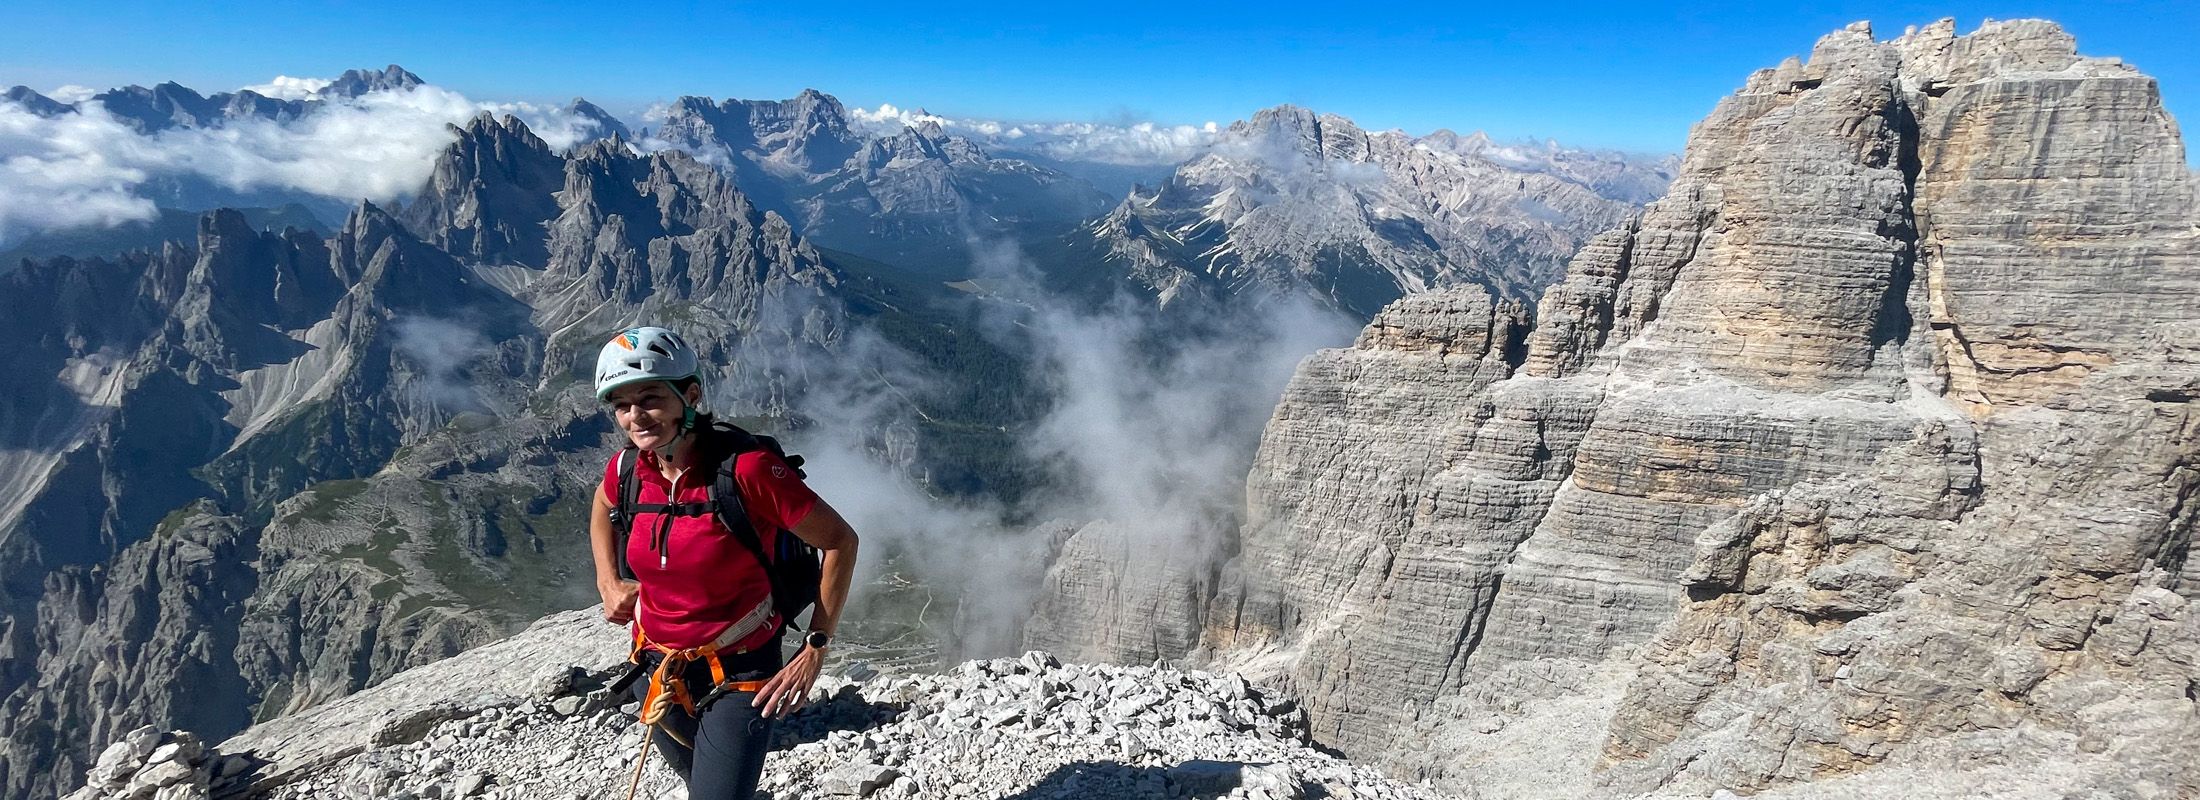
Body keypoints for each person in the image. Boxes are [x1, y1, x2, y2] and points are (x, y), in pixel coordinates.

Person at [587, 326, 859, 800]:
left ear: (690, 396)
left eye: (650, 398)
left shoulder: (746, 471)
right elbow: (600, 508)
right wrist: (607, 580)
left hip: (741, 673)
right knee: (707, 784)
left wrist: (815, 646)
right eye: (621, 405)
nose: (635, 417)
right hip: (656, 669)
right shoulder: (627, 469)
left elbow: (840, 540)